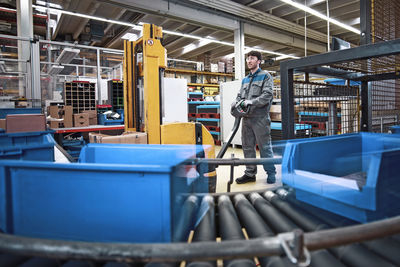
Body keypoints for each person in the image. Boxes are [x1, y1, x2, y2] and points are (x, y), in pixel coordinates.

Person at [233, 50, 276, 184]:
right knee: (247, 147)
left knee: (265, 147)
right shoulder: (245, 79)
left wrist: (252, 102)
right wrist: (237, 102)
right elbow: (240, 96)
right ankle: (250, 173)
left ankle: (271, 173)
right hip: (246, 119)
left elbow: (267, 95)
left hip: (260, 119)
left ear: (259, 61)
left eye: (252, 58)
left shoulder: (265, 76)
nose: (249, 61)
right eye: (247, 59)